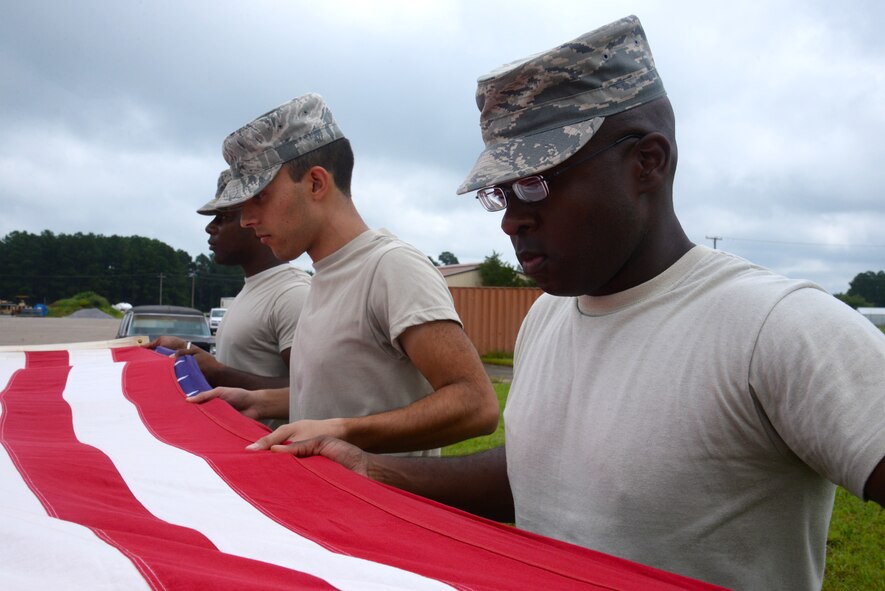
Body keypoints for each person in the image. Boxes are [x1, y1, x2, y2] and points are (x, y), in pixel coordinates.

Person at [272, 15, 885, 591]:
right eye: (501, 193)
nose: (513, 220)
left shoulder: (778, 327)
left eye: (538, 180)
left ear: (648, 162)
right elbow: (540, 480)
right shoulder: (547, 316)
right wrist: (372, 471)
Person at [187, 93, 499, 457]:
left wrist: (342, 432)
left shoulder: (391, 267)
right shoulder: (323, 275)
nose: (246, 220)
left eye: (260, 197)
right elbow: (343, 396)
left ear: (316, 183)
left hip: (376, 510)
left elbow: (477, 405)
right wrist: (260, 401)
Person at [148, 170, 311, 405]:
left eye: (222, 218)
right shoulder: (255, 288)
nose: (210, 228)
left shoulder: (293, 294)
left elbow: (312, 392)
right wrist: (187, 350)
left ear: (254, 220)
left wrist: (218, 373)